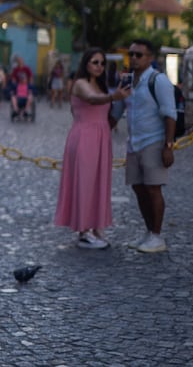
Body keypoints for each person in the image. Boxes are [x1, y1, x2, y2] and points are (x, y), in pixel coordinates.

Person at [53, 49, 130, 249]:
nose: (99, 66)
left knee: (99, 182)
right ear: (86, 63)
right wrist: (115, 96)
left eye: (102, 63)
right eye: (95, 62)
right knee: (84, 182)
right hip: (84, 137)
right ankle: (83, 230)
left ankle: (96, 226)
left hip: (101, 137)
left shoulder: (101, 84)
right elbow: (91, 99)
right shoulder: (80, 84)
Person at [123, 39, 176, 253]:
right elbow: (119, 108)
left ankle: (157, 235)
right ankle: (148, 232)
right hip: (134, 142)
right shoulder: (128, 81)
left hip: (153, 141)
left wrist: (168, 146)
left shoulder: (158, 80)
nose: (134, 58)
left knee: (153, 189)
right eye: (131, 54)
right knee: (138, 188)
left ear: (150, 58)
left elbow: (170, 114)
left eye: (139, 55)